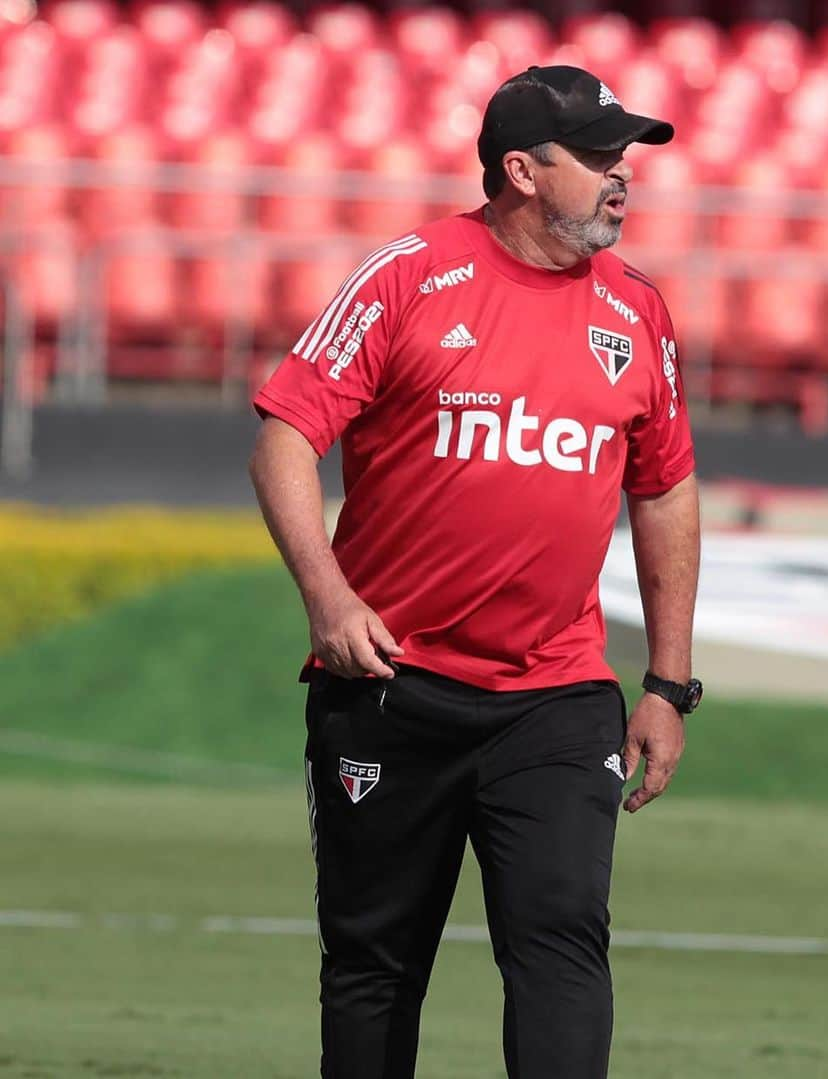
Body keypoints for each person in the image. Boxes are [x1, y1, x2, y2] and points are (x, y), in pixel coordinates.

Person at [248, 64, 702, 1079]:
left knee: (561, 944)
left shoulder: (637, 311)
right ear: (520, 170)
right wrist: (327, 596)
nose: (621, 177)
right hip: (390, 686)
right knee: (373, 963)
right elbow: (284, 434)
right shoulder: (406, 276)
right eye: (595, 158)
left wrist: (668, 683)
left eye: (623, 157)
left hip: (557, 695)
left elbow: (664, 487)